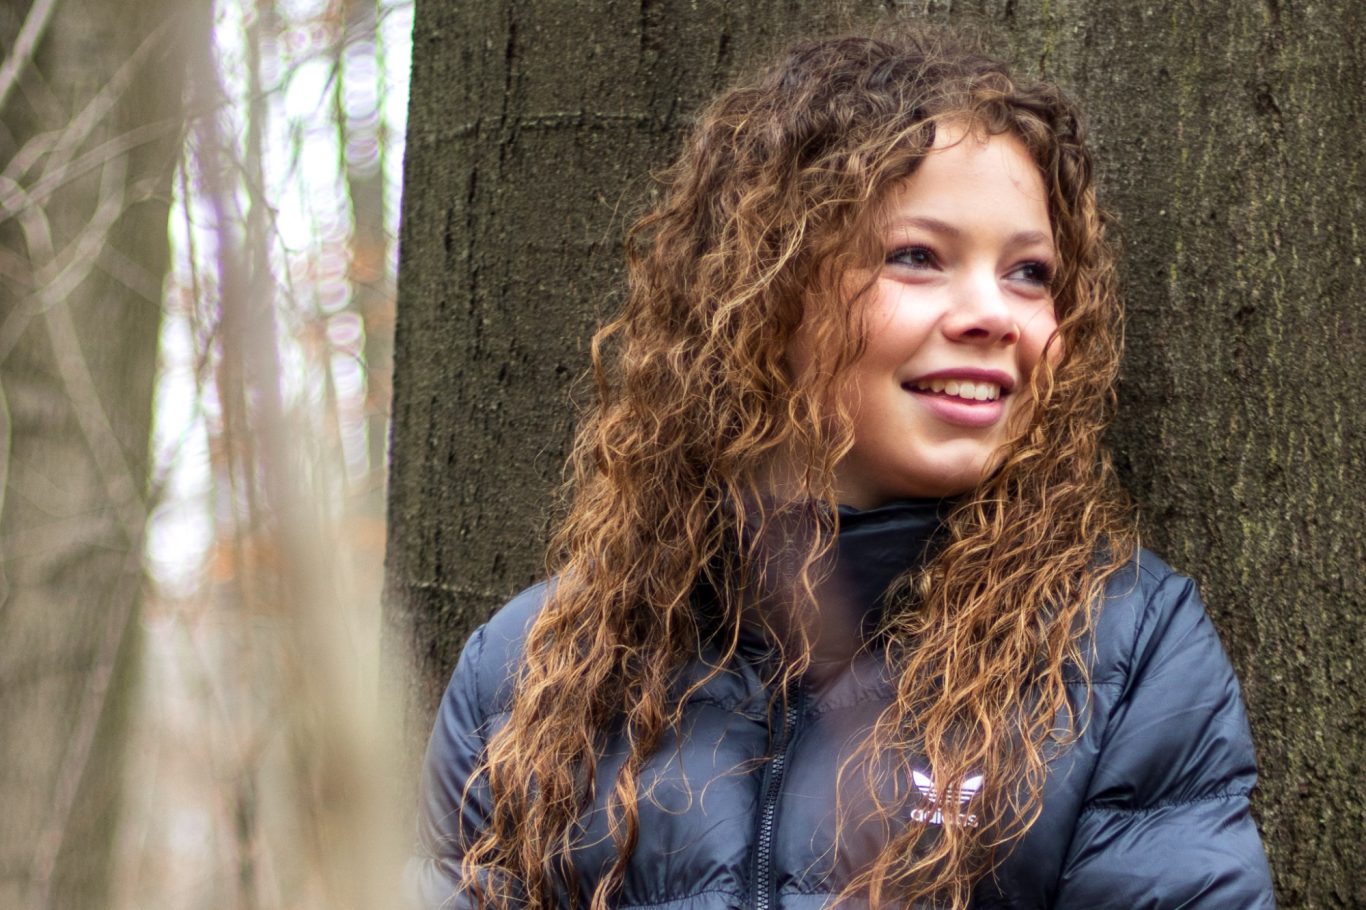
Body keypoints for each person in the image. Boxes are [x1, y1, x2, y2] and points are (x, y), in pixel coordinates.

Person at [410, 30, 1276, 910]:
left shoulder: (1121, 649)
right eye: (917, 256)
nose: (993, 314)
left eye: (1029, 273)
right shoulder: (534, 670)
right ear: (767, 290)